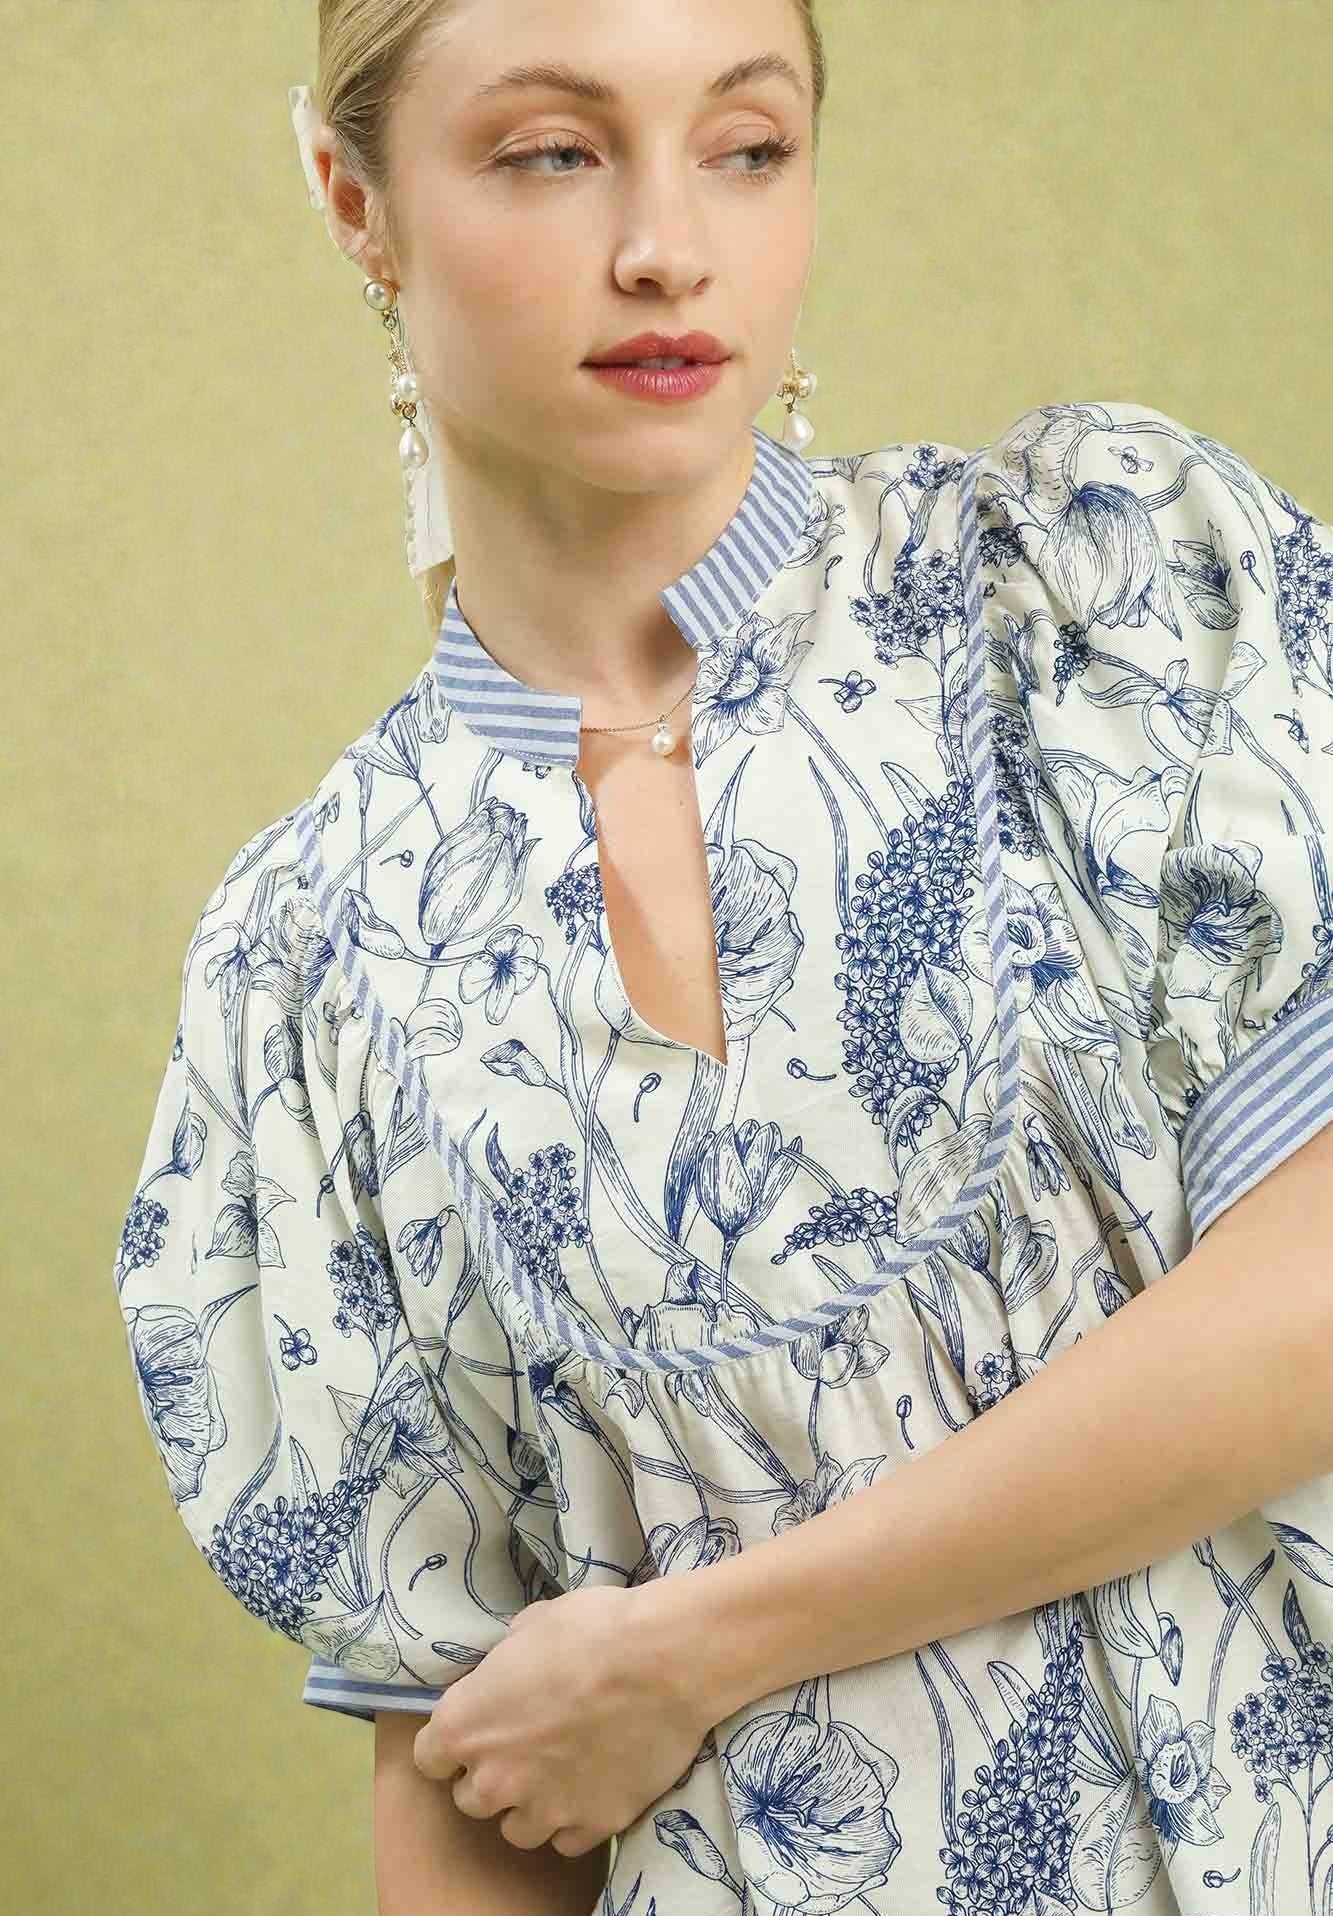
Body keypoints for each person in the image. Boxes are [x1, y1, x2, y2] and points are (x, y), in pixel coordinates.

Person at [112, 1, 1333, 1911]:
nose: (668, 243)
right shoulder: (310, 968)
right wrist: (579, 1703)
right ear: (356, 201)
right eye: (551, 151)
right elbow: (471, 1769)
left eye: (745, 147)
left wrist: (692, 1645)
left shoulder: (1083, 597)